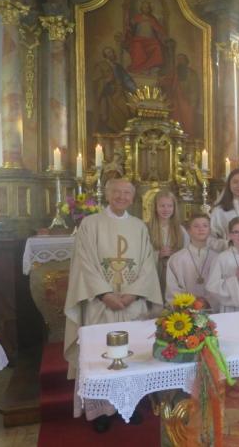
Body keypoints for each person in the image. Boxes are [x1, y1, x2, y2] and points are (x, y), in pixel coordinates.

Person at [63, 178, 162, 433]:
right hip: (101, 304)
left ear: (133, 197)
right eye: (116, 192)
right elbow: (84, 262)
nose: (121, 196)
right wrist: (105, 294)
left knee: (135, 354)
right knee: (100, 356)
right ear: (107, 194)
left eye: (127, 193)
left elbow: (148, 265)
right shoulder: (90, 224)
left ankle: (129, 405)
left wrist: (131, 294)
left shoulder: (139, 226)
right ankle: (101, 410)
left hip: (132, 305)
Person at [165, 213, 218, 308]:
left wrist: (207, 302)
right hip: (186, 313)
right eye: (196, 226)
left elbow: (220, 286)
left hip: (214, 312)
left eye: (205, 226)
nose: (201, 229)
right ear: (188, 231)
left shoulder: (217, 257)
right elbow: (172, 288)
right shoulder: (176, 259)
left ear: (210, 230)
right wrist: (190, 303)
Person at [147, 189, 189, 297]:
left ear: (174, 208)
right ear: (155, 208)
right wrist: (157, 254)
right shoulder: (146, 229)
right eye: (162, 206)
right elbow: (140, 256)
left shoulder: (180, 230)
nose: (166, 209)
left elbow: (187, 254)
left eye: (170, 206)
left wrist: (176, 255)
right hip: (154, 276)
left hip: (175, 275)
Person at [92, 47, 136, 134]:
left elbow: (126, 80)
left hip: (120, 92)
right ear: (105, 55)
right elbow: (95, 81)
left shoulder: (118, 66)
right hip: (108, 94)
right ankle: (112, 132)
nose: (110, 54)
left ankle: (122, 133)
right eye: (108, 53)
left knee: (126, 110)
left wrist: (135, 90)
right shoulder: (101, 65)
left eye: (111, 52)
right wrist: (106, 81)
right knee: (110, 113)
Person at [124, 0, 167, 75]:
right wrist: (128, 30)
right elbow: (129, 28)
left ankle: (153, 67)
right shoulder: (137, 18)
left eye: (147, 7)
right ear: (141, 8)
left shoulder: (152, 19)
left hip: (150, 40)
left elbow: (159, 29)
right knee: (137, 46)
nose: (146, 9)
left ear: (149, 9)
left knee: (157, 47)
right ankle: (141, 68)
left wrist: (163, 36)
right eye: (144, 7)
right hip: (138, 39)